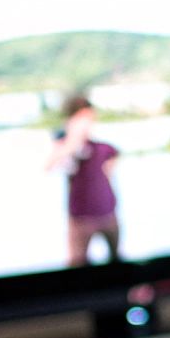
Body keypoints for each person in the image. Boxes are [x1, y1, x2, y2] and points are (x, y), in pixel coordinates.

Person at [45, 92, 122, 266]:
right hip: (81, 218)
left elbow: (110, 170)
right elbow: (50, 166)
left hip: (108, 213)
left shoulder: (103, 147)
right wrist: (72, 142)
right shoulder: (64, 145)